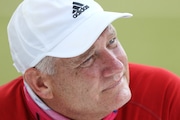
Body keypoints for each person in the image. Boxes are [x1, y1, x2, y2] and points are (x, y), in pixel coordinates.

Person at [0, 0, 180, 120]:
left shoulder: (164, 96)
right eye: (87, 59)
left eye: (111, 42)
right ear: (41, 83)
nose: (117, 66)